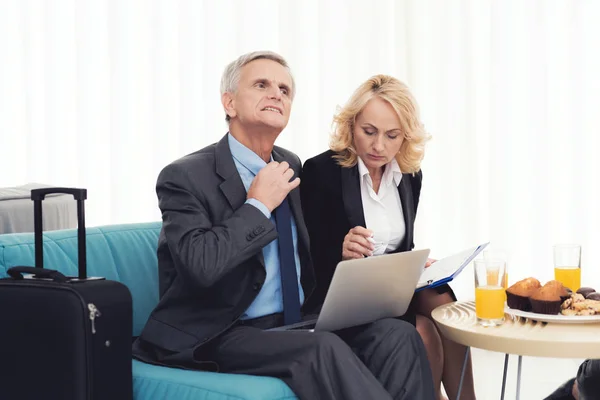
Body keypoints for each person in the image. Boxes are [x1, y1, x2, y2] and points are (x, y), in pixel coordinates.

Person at [132, 51, 435, 400]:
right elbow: (200, 266)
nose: (276, 93)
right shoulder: (184, 176)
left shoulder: (289, 165)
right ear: (229, 103)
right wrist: (257, 204)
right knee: (322, 350)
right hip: (223, 331)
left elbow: (312, 256)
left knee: (397, 335)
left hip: (295, 323)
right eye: (261, 85)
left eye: (284, 90)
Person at [300, 74, 476, 400]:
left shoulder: (409, 176)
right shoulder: (321, 172)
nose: (379, 146)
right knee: (424, 332)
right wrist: (342, 251)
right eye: (369, 132)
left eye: (392, 135)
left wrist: (415, 266)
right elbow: (307, 263)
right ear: (351, 125)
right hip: (346, 298)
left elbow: (401, 245)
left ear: (405, 137)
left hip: (389, 292)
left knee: (440, 297)